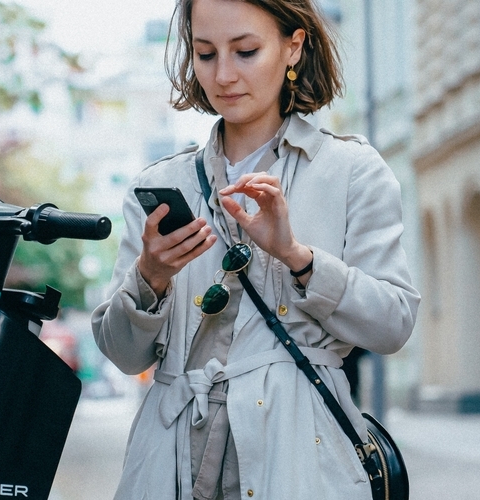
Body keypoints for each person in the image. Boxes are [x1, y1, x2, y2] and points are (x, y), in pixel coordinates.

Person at [91, 0, 420, 498]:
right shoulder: (161, 183)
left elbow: (393, 323)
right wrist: (150, 277)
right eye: (205, 54)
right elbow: (122, 354)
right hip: (170, 464)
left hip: (299, 460)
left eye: (245, 51)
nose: (223, 75)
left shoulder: (353, 171)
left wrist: (297, 257)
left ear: (294, 46)